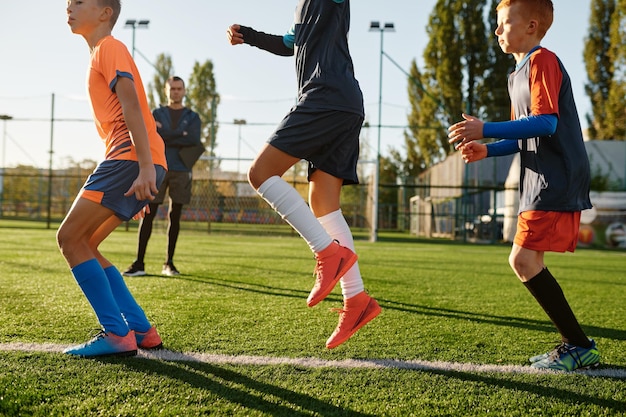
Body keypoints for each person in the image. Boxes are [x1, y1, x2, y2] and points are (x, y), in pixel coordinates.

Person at [448, 0, 599, 371]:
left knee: (522, 259)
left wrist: (486, 128)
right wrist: (487, 150)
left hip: (556, 175)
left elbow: (546, 123)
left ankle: (579, 345)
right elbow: (523, 136)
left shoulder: (542, 61)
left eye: (503, 23)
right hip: (537, 176)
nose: (497, 31)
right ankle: (577, 345)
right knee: (529, 260)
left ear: (531, 26)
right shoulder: (516, 74)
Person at [226, 0, 381, 349]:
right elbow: (289, 43)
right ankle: (356, 300)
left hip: (325, 97)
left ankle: (328, 253)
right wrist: (248, 36)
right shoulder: (303, 8)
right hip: (342, 102)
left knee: (260, 172)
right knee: (323, 204)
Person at [60, 0, 167, 357]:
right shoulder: (100, 53)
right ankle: (140, 329)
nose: (69, 7)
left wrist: (144, 168)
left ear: (106, 12)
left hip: (132, 158)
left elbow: (132, 104)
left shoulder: (110, 47)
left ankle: (116, 334)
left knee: (70, 238)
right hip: (133, 160)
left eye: (79, 2)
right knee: (86, 243)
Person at [123, 76, 202, 277]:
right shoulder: (156, 113)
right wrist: (179, 135)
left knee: (175, 216)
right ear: (166, 91)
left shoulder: (193, 117)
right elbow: (151, 135)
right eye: (172, 89)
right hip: (158, 168)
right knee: (148, 214)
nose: (176, 92)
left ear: (184, 91)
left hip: (182, 170)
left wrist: (165, 132)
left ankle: (169, 263)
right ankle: (139, 263)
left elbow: (193, 138)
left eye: (179, 88)